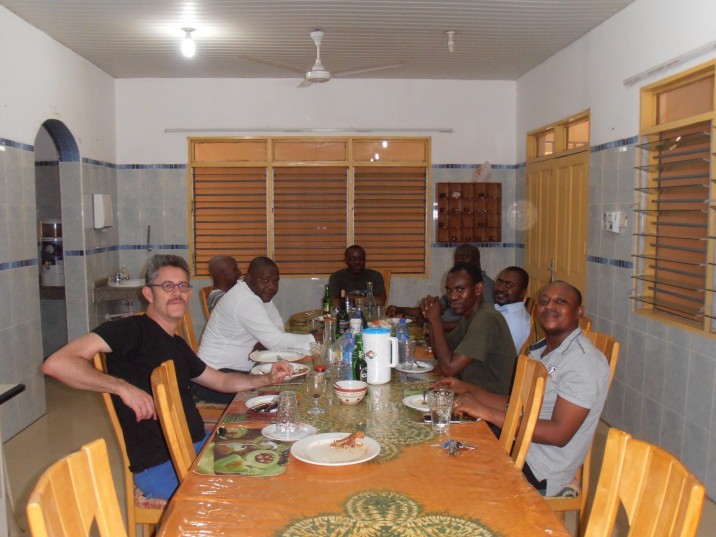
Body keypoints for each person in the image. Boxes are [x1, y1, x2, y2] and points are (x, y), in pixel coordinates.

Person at [42, 255, 291, 500]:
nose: (177, 293)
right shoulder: (130, 331)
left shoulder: (176, 344)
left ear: (189, 294)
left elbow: (221, 381)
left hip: (195, 445)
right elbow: (57, 364)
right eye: (167, 286)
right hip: (162, 467)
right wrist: (121, 387)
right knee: (261, 491)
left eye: (182, 286)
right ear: (149, 294)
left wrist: (265, 379)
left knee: (279, 449)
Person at [443, 281, 610, 496]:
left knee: (452, 475)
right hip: (516, 444)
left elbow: (559, 434)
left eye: (560, 301)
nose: (550, 306)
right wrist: (467, 389)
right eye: (544, 301)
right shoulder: (541, 350)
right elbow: (516, 405)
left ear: (579, 311)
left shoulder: (583, 363)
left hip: (539, 468)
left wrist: (487, 412)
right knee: (446, 439)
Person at [197, 256, 316, 402]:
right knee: (286, 396)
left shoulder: (258, 293)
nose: (272, 287)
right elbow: (276, 341)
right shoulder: (245, 299)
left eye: (275, 281)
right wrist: (314, 339)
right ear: (249, 278)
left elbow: (278, 329)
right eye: (265, 280)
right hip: (215, 379)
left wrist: (267, 340)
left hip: (238, 372)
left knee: (290, 383)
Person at [420, 263, 516, 395]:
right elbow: (441, 353)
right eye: (449, 290)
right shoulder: (470, 316)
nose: (452, 297)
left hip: (491, 404)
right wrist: (431, 319)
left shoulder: (486, 318)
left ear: (478, 289)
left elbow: (449, 368)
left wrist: (435, 320)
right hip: (473, 394)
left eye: (460, 290)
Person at [387, 243, 495, 330]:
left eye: (465, 257)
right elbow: (435, 308)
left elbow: (476, 323)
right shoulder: (455, 288)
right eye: (457, 258)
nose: (459, 261)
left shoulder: (487, 287)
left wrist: (435, 324)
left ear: (477, 260)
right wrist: (400, 309)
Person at [493, 266, 531, 352]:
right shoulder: (502, 310)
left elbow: (503, 359)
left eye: (509, 285)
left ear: (522, 292)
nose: (501, 288)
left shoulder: (513, 322)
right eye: (499, 282)